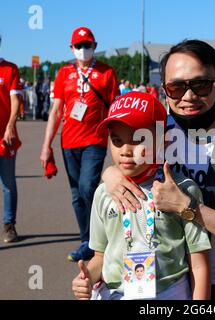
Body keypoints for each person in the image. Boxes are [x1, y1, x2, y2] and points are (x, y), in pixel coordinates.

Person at [102, 40, 215, 300]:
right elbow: (124, 155)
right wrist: (111, 175)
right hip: (168, 283)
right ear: (164, 90)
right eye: (176, 87)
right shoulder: (157, 133)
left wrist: (187, 207)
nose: (188, 96)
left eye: (201, 85)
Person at [71, 91, 211, 300]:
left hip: (168, 293)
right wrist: (87, 278)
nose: (126, 150)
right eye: (117, 140)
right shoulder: (104, 193)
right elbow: (100, 256)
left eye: (138, 140)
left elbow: (199, 266)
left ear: (163, 141)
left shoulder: (182, 191)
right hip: (114, 293)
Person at [40, 27, 119, 261]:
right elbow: (55, 111)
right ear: (71, 48)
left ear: (95, 46)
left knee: (87, 186)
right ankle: (87, 240)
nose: (83, 50)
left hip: (95, 139)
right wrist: (47, 145)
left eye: (87, 45)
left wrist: (118, 145)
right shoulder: (64, 73)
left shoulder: (107, 72)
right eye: (78, 46)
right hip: (69, 140)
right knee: (76, 194)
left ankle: (102, 236)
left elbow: (115, 109)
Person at [0, 40, 22, 243]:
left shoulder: (9, 69)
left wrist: (9, 126)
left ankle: (9, 225)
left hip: (5, 138)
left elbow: (15, 100)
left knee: (8, 184)